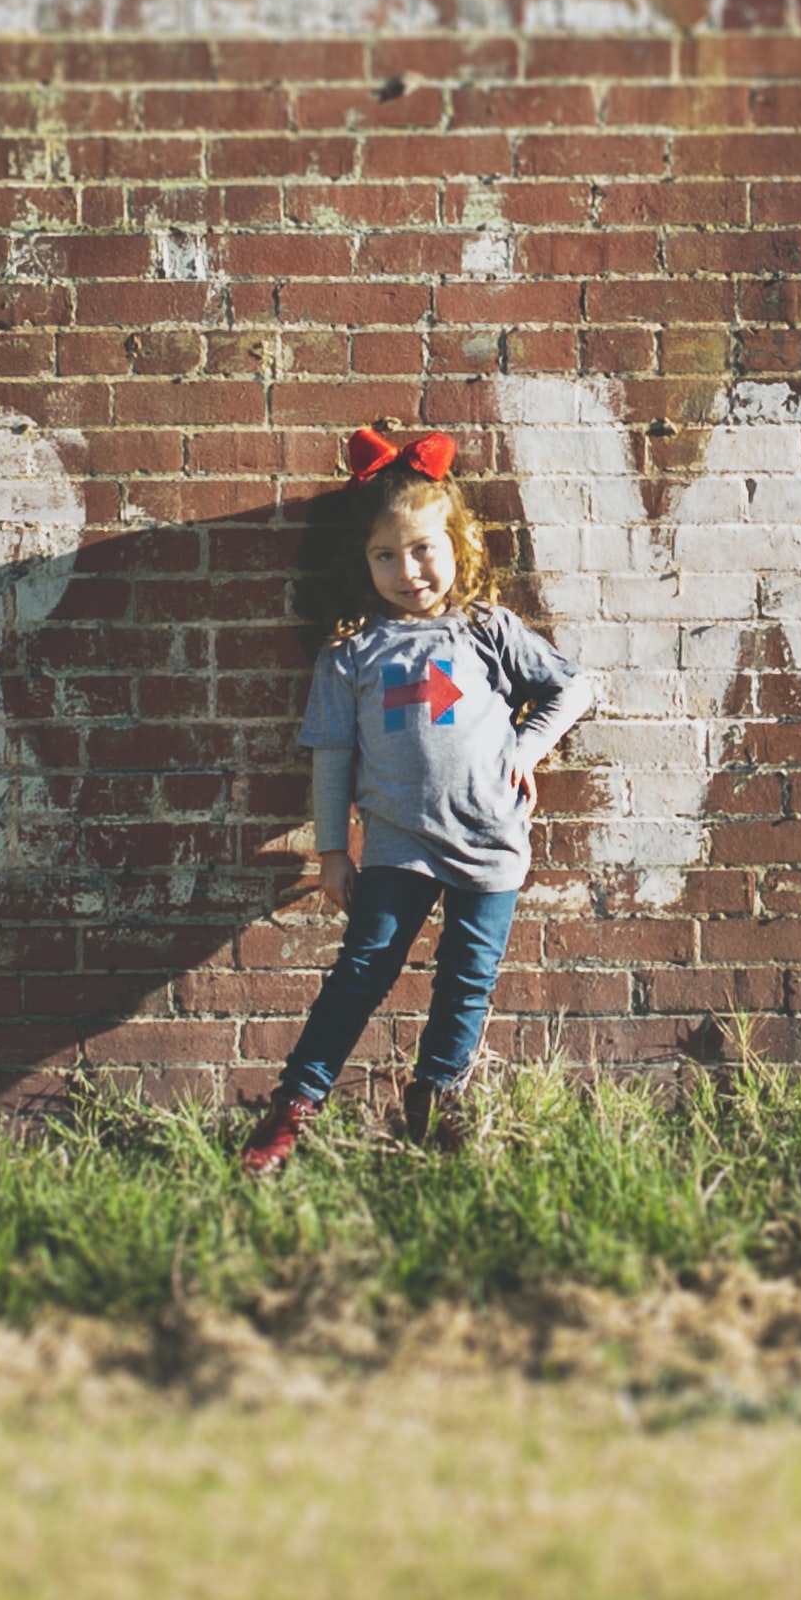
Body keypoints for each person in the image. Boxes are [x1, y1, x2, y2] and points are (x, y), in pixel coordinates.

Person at [240, 424, 596, 1170]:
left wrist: (526, 749)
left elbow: (572, 686)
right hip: (399, 842)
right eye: (385, 556)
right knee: (361, 972)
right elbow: (333, 755)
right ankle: (294, 1105)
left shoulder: (487, 630)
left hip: (491, 839)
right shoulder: (352, 653)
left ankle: (435, 1101)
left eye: (423, 548)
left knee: (467, 980)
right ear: (363, 562)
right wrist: (333, 851)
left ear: (457, 543)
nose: (408, 570)